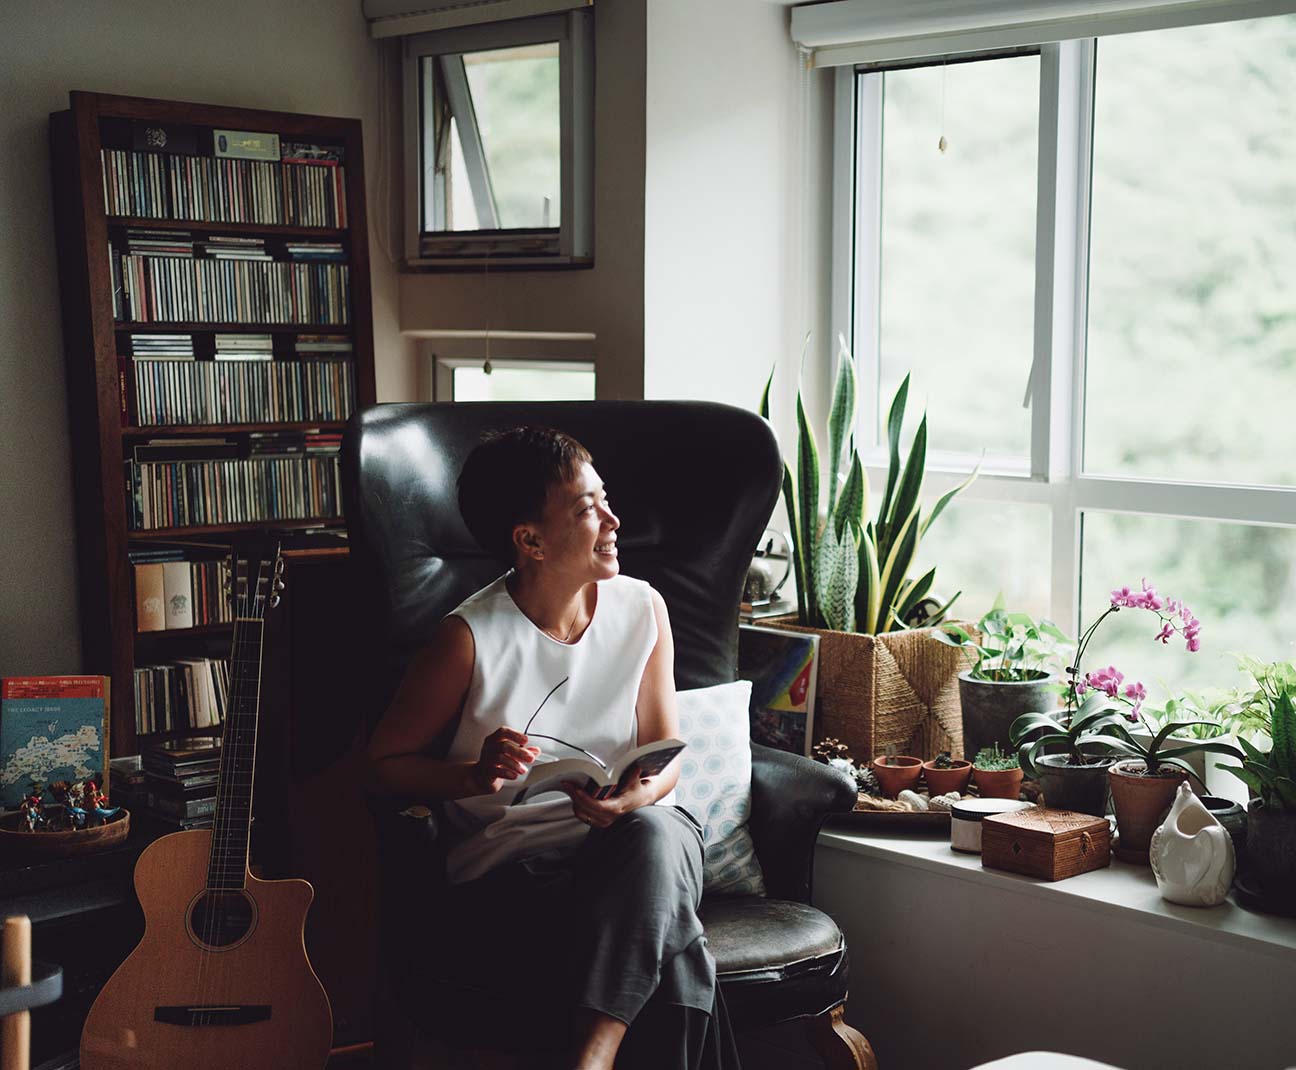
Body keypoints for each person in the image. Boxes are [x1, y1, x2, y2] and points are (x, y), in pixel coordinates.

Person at [367, 426, 741, 1070]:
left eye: (605, 499)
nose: (613, 519)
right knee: (678, 951)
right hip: (519, 876)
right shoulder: (467, 639)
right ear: (530, 540)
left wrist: (632, 798)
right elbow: (382, 767)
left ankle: (592, 1058)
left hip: (627, 850)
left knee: (657, 833)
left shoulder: (643, 609)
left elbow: (665, 755)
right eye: (588, 509)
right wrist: (473, 776)